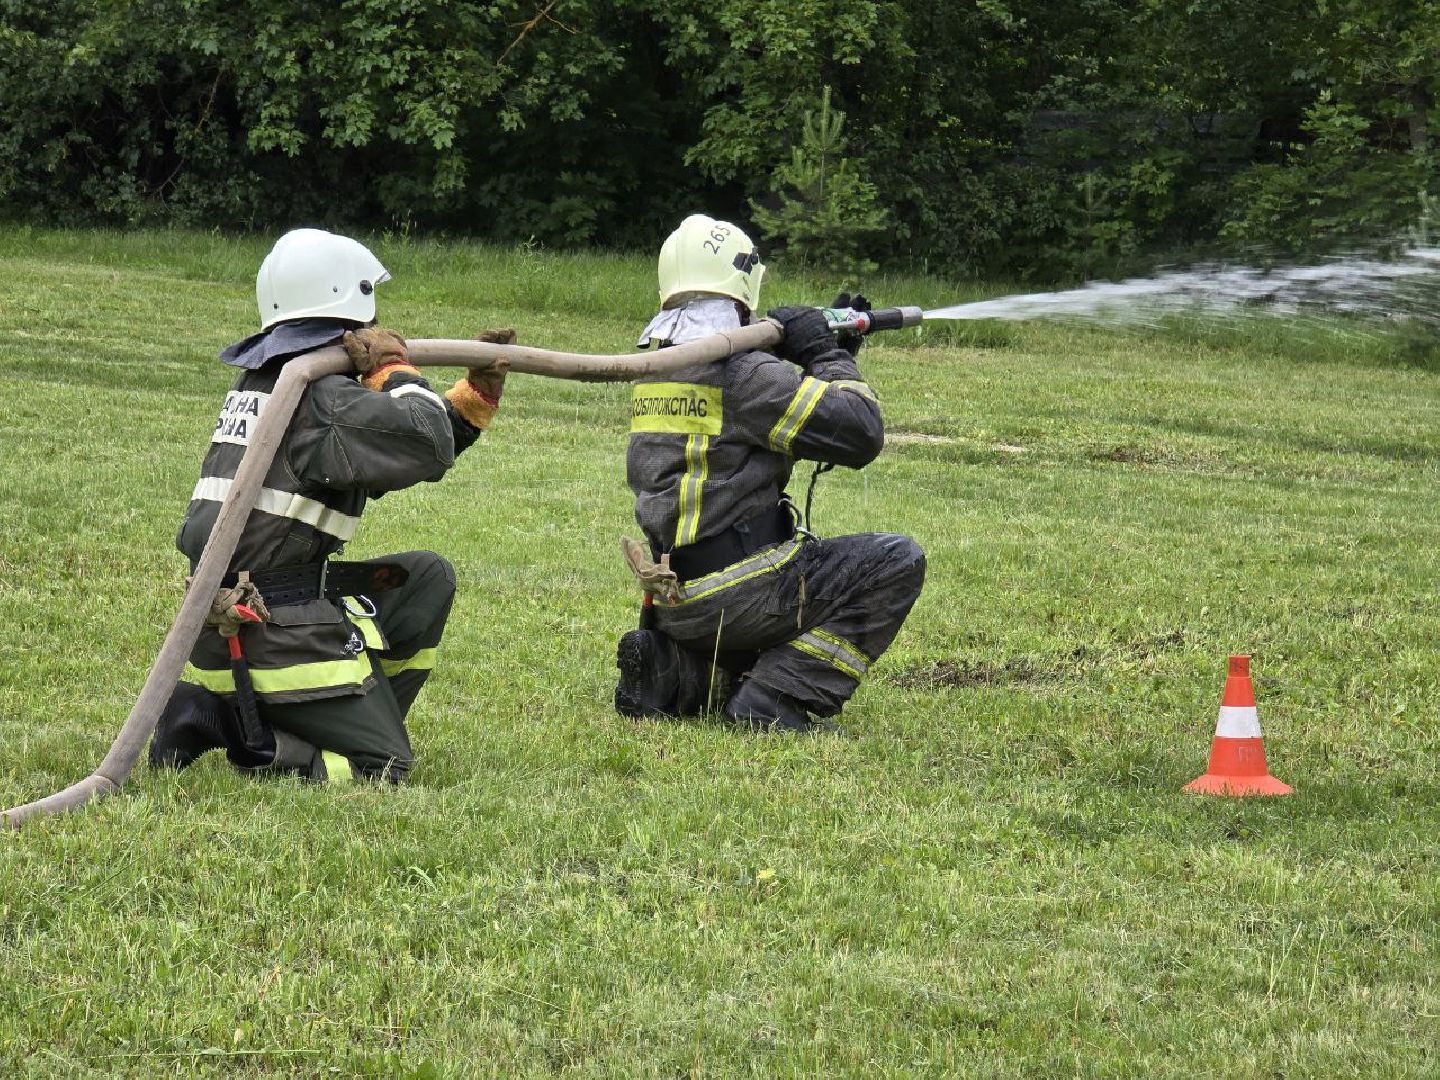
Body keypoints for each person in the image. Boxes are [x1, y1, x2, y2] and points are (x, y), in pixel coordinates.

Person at [149, 227, 512, 782]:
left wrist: (474, 397)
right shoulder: (322, 396)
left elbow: (404, 447)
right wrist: (392, 369)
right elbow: (423, 440)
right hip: (266, 631)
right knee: (380, 765)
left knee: (422, 577)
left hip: (226, 620)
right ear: (351, 303)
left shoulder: (268, 384)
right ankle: (246, 733)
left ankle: (342, 706)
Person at [615, 213, 926, 732]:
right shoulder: (748, 374)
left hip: (677, 598)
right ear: (745, 283)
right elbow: (860, 432)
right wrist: (826, 354)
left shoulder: (662, 365)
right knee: (894, 562)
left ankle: (679, 674)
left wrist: (821, 352)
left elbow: (753, 428)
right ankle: (777, 698)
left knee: (727, 664)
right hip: (742, 592)